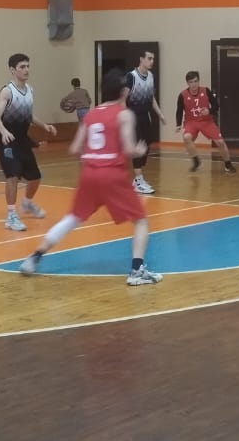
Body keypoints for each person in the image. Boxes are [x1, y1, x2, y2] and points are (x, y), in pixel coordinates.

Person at [18, 69, 161, 286]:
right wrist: (139, 150)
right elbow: (129, 149)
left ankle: (34, 257)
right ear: (124, 92)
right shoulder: (124, 114)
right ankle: (136, 271)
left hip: (89, 174)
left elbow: (75, 148)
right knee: (140, 221)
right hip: (112, 174)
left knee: (72, 218)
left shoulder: (91, 114)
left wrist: (95, 154)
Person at [0, 53, 57, 231]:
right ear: (12, 70)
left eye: (28, 66)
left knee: (35, 177)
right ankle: (11, 216)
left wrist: (45, 126)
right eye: (22, 67)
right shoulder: (7, 91)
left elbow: (28, 115)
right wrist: (4, 131)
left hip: (22, 139)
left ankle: (27, 203)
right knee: (12, 175)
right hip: (6, 140)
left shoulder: (29, 90)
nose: (26, 70)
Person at [175, 70, 237, 174]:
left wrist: (209, 111)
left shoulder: (206, 91)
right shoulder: (182, 95)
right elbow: (179, 111)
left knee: (220, 142)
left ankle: (228, 164)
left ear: (198, 81)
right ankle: (196, 161)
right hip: (191, 122)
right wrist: (178, 124)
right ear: (187, 83)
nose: (194, 84)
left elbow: (216, 106)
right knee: (186, 137)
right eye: (191, 82)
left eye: (196, 81)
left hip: (206, 121)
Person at [125, 50, 167, 194]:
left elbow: (151, 97)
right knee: (138, 147)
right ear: (141, 59)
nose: (152, 61)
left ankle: (137, 179)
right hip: (133, 117)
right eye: (149, 58)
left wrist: (160, 114)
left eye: (153, 59)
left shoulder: (150, 76)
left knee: (146, 147)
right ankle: (138, 180)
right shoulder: (131, 76)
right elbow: (123, 98)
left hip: (146, 116)